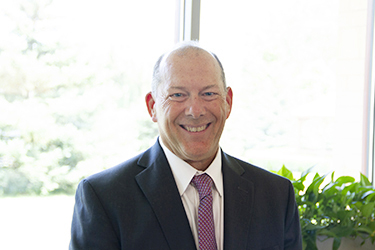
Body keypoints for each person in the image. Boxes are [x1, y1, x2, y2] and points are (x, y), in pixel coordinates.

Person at [69, 41, 302, 250]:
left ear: (228, 102)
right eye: (178, 95)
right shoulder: (104, 198)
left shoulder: (276, 195)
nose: (195, 110)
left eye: (208, 93)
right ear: (152, 106)